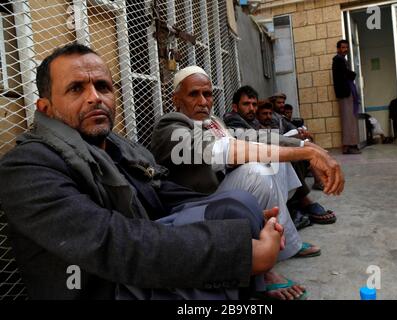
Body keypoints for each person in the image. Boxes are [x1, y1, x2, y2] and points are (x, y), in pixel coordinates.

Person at [0, 43, 286, 300]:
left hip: (136, 246)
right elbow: (112, 242)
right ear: (46, 108)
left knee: (240, 207)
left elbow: (159, 192)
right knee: (226, 255)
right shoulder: (27, 167)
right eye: (76, 89)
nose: (94, 98)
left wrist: (243, 221)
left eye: (103, 87)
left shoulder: (115, 146)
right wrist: (238, 253)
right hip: (99, 284)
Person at [151, 69, 344, 299]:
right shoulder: (169, 127)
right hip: (196, 208)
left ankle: (286, 245)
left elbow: (254, 138)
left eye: (208, 94)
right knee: (256, 172)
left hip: (224, 197)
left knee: (276, 161)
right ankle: (264, 271)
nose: (203, 102)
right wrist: (303, 154)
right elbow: (225, 150)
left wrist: (305, 145)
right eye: (194, 94)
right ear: (176, 99)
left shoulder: (214, 122)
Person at [228, 86, 336, 225]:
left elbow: (267, 136)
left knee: (289, 153)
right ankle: (298, 205)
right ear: (235, 107)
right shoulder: (233, 120)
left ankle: (294, 205)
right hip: (242, 170)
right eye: (246, 104)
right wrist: (301, 146)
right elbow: (258, 139)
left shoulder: (253, 120)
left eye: (254, 104)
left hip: (256, 160)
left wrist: (301, 144)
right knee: (284, 155)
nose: (251, 108)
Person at [332, 39, 361, 155]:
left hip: (346, 93)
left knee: (349, 120)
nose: (345, 50)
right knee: (348, 120)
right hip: (345, 93)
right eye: (343, 47)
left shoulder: (341, 60)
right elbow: (345, 74)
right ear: (338, 49)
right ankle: (349, 146)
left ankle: (349, 145)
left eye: (346, 47)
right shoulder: (339, 59)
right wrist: (353, 74)